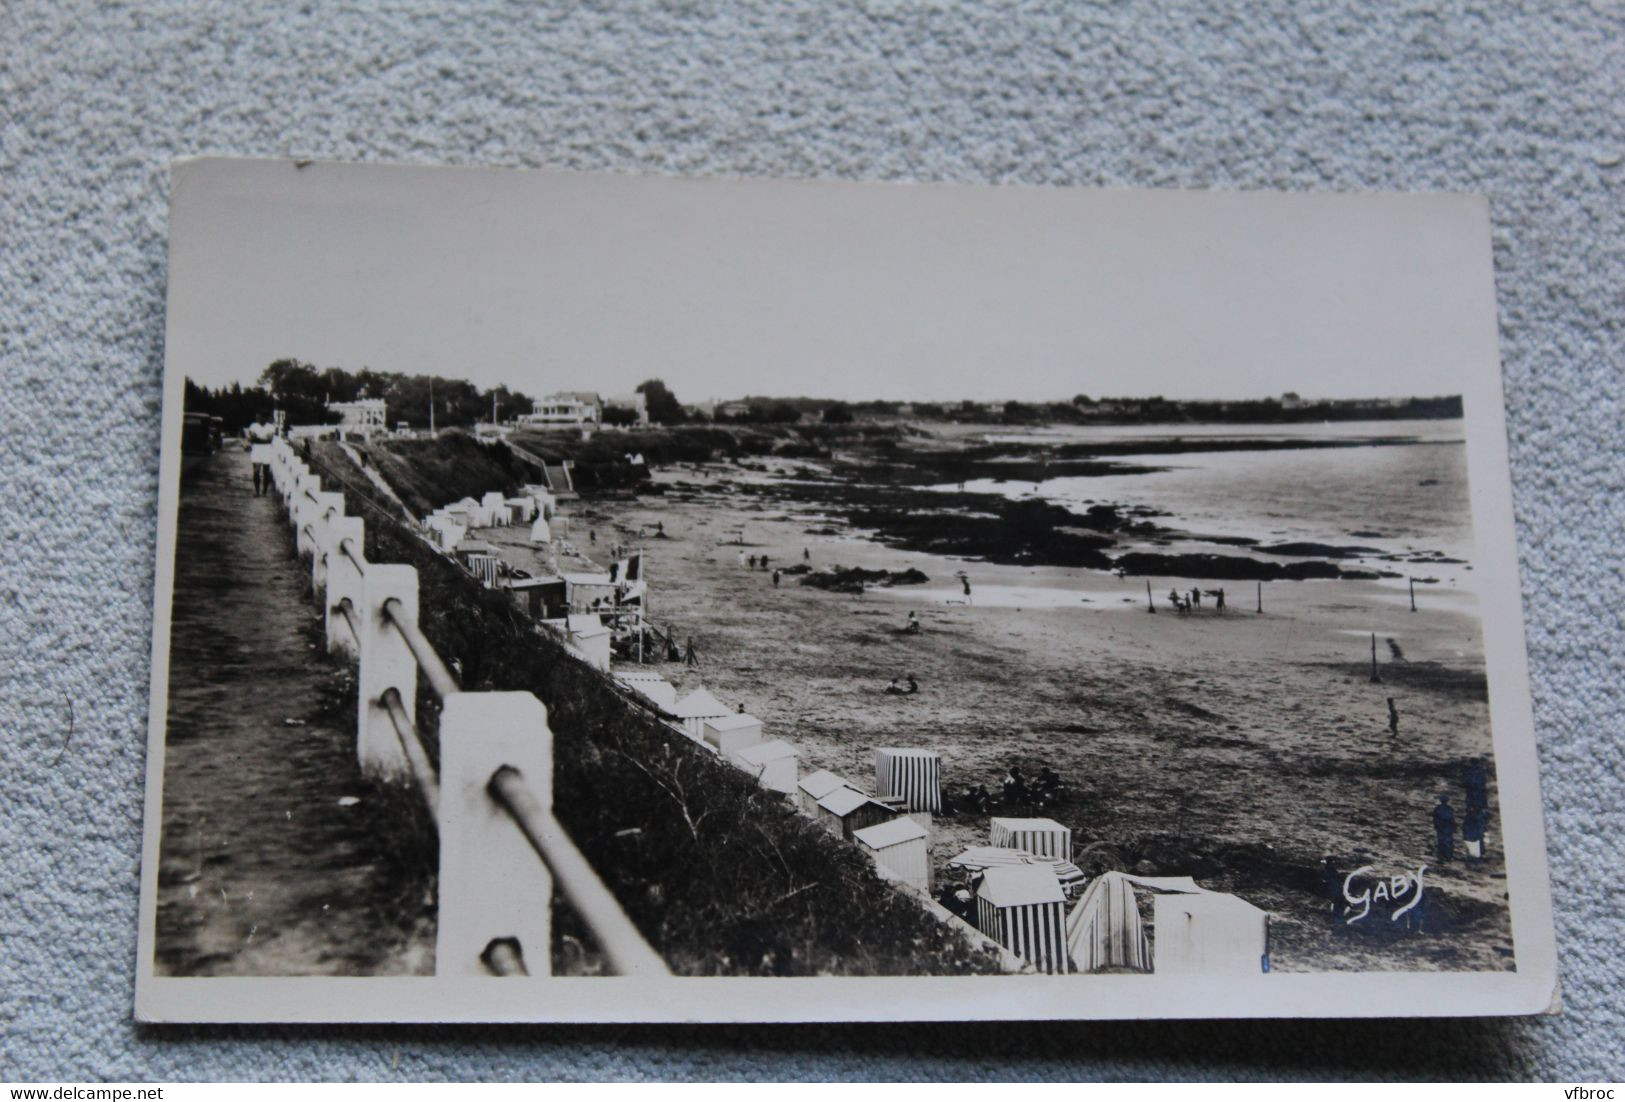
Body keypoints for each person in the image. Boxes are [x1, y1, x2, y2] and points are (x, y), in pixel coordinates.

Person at [1432, 795, 1456, 861]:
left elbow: (1435, 819)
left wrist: (1436, 826)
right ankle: (1448, 856)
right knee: (1448, 841)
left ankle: (1441, 855)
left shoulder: (1437, 809)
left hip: (1440, 827)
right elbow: (1452, 819)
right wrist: (1453, 827)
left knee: (1441, 841)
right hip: (1448, 828)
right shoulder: (1450, 809)